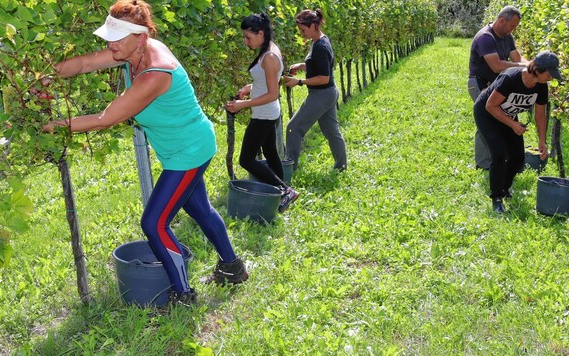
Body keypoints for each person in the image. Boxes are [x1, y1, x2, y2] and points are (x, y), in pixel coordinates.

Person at [42, 0, 248, 305]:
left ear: (140, 37)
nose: (110, 43)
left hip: (189, 151)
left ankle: (183, 293)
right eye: (109, 36)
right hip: (182, 147)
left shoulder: (155, 72)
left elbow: (105, 118)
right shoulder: (129, 52)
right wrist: (46, 75)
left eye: (118, 37)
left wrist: (53, 126)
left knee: (154, 223)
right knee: (199, 209)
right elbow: (84, 64)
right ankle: (233, 268)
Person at [225, 13, 299, 213]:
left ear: (261, 33)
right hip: (267, 113)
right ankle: (280, 192)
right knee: (270, 153)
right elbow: (267, 82)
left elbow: (273, 93)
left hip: (264, 114)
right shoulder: (269, 49)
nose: (245, 41)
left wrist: (243, 104)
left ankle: (285, 191)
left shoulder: (270, 57)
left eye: (248, 37)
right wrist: (249, 88)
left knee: (246, 159)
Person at [474, 50, 562, 213]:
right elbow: (490, 106)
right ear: (537, 69)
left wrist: (542, 141)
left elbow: (540, 115)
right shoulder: (510, 78)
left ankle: (505, 188)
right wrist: (513, 125)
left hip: (506, 115)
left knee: (517, 157)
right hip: (487, 113)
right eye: (550, 74)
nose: (551, 78)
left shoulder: (541, 87)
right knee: (498, 154)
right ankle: (496, 198)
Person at [282, 8, 347, 172]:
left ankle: (290, 169)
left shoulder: (320, 46)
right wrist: (302, 65)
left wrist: (299, 82)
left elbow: (323, 78)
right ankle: (341, 166)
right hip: (328, 93)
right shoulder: (319, 40)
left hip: (322, 94)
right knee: (331, 132)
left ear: (313, 26)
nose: (301, 33)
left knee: (293, 128)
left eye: (303, 30)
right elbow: (318, 64)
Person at [469, 6, 527, 170]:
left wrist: (534, 65)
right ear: (502, 21)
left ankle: (504, 158)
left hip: (496, 84)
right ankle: (483, 163)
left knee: (501, 117)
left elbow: (517, 58)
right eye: (512, 26)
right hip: (479, 83)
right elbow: (496, 66)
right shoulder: (485, 37)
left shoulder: (507, 36)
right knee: (486, 118)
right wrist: (522, 66)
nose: (513, 30)